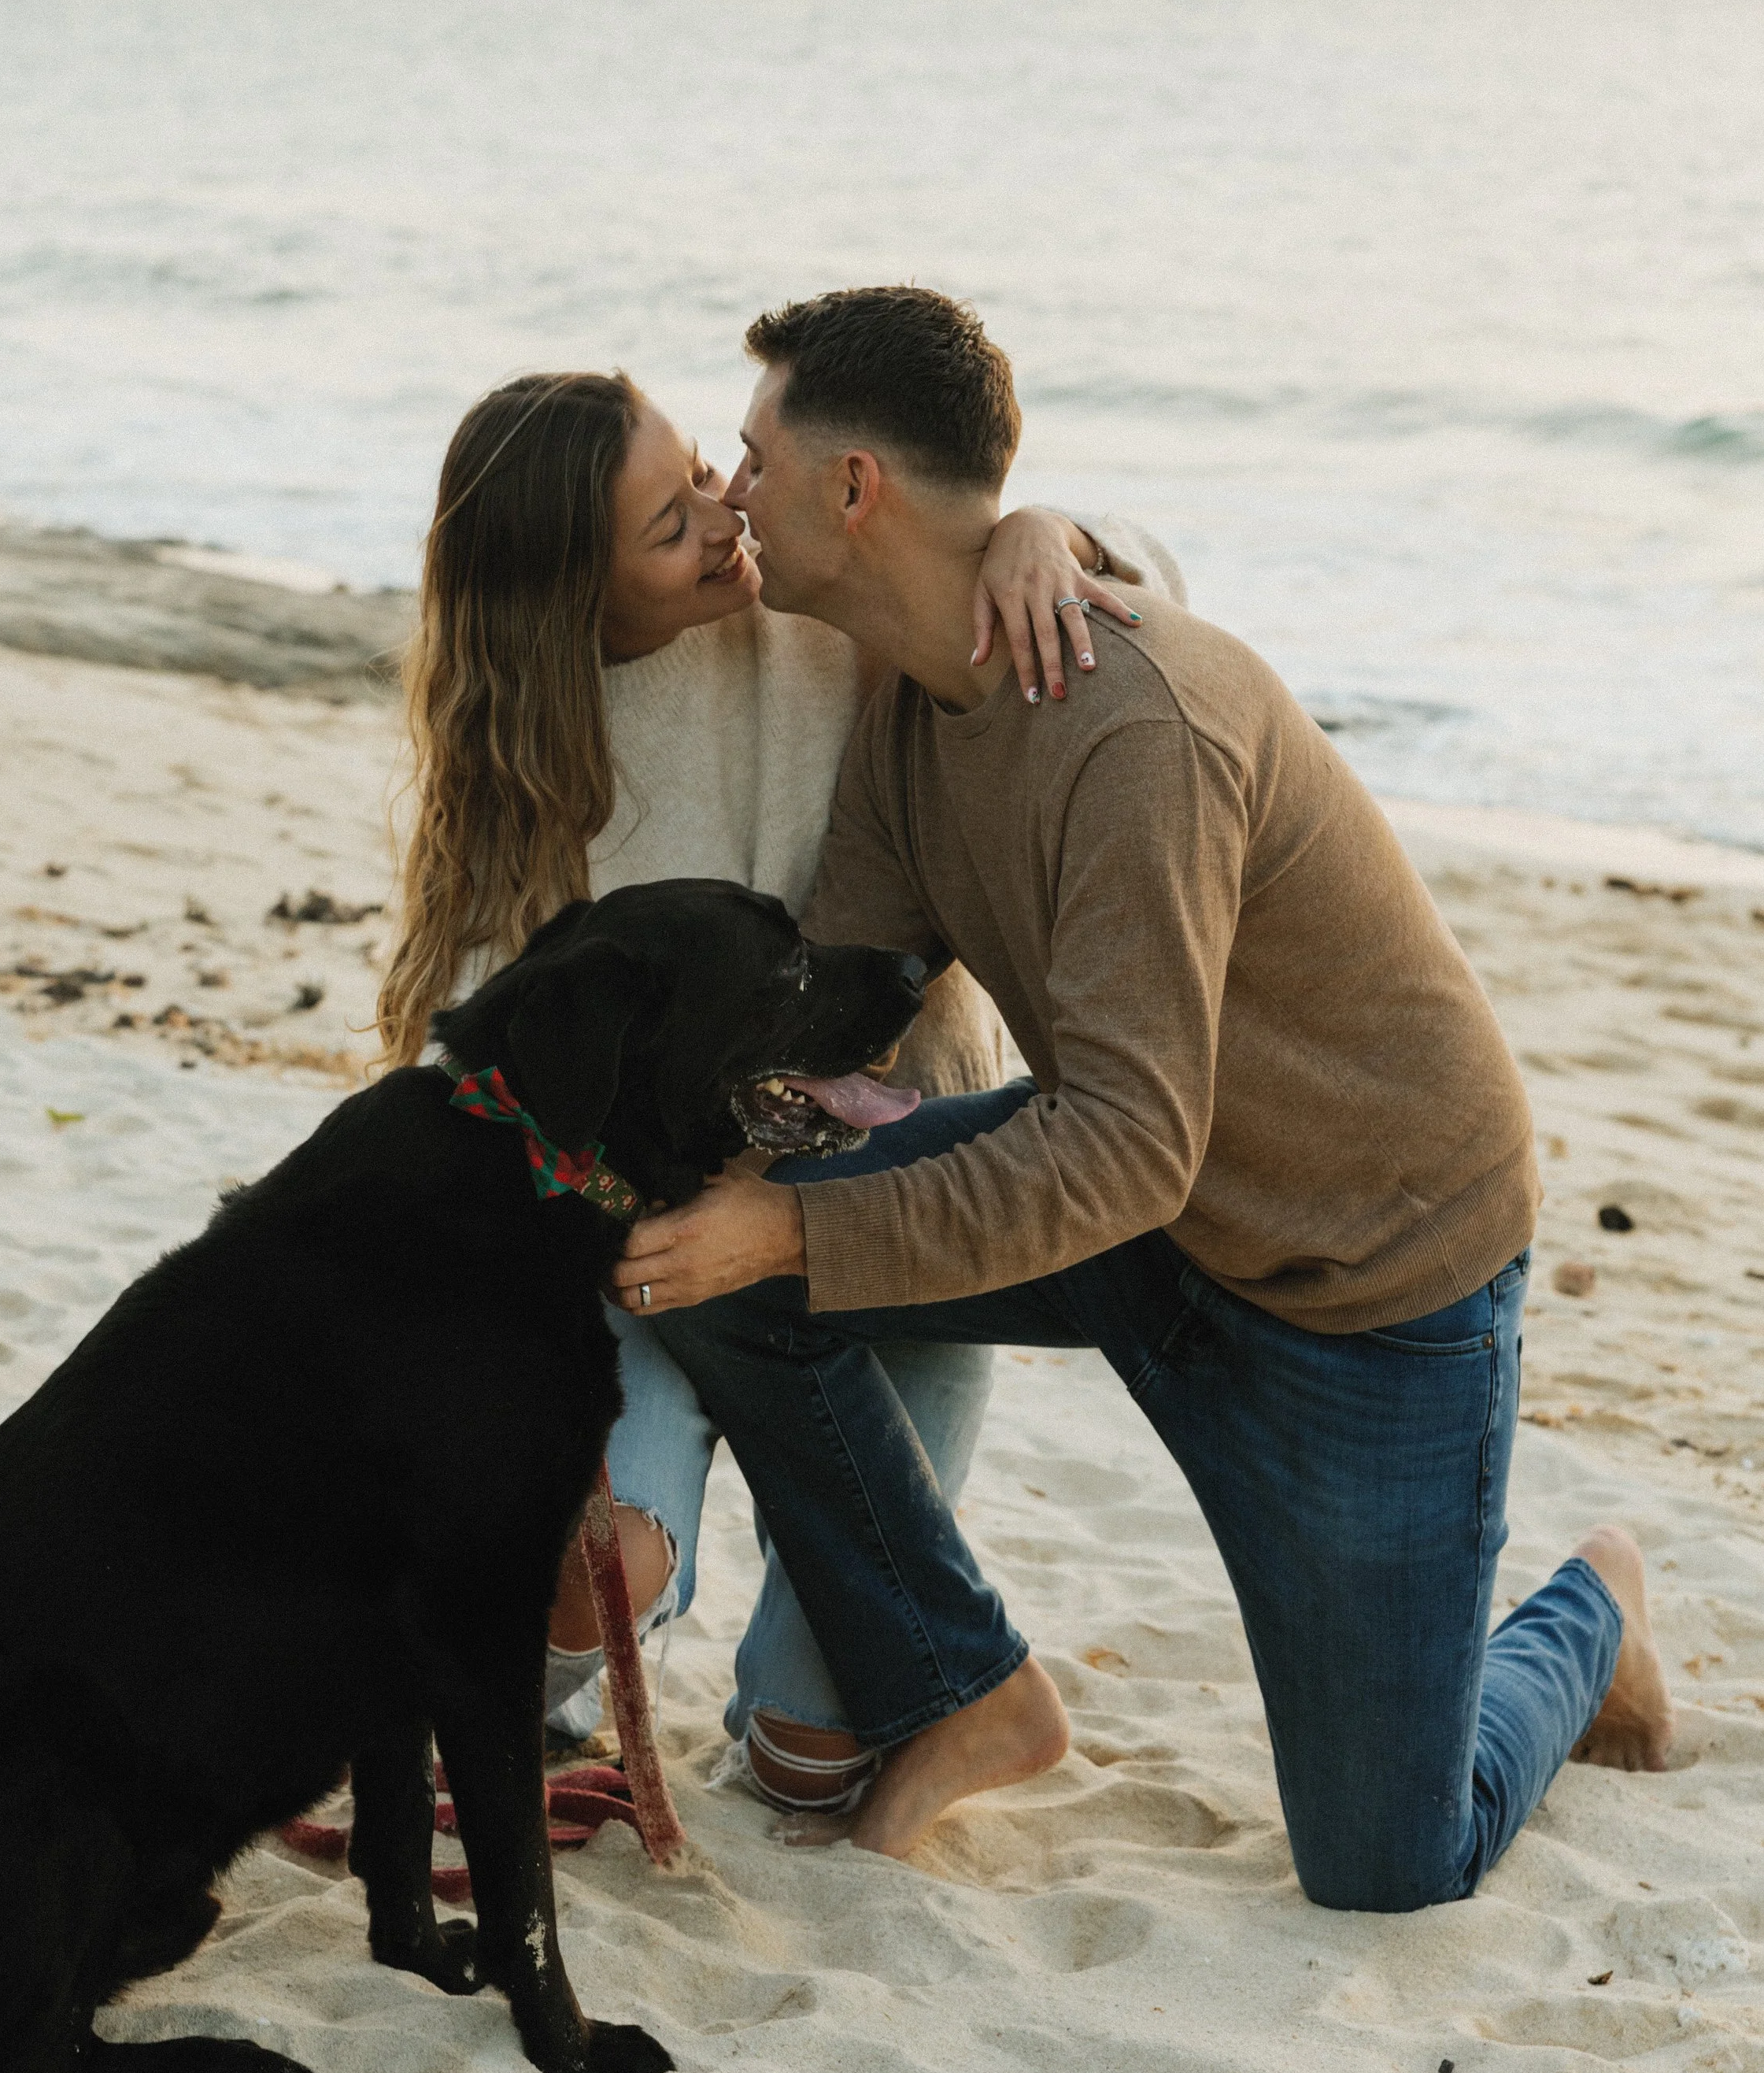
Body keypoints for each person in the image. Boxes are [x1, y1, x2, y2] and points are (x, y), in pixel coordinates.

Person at [616, 286, 1674, 1905]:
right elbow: (841, 1015)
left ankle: (1590, 1611)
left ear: (854, 492)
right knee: (709, 1252)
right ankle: (955, 1685)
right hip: (1154, 1222)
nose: (731, 485)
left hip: (1366, 1286)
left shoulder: (1132, 729)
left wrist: (799, 1232)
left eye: (753, 455)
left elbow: (1120, 1145)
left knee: (1389, 1864)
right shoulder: (910, 707)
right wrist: (698, 1165)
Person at [375, 367, 1183, 1811]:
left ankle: (808, 1701)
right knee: (594, 1568)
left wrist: (1044, 530)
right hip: (657, 1250)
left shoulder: (821, 606)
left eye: (703, 467)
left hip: (896, 1185)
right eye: (668, 520)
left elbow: (1118, 608)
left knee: (813, 1759)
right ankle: (548, 1702)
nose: (723, 517)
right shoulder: (520, 789)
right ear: (571, 593)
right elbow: (491, 1108)